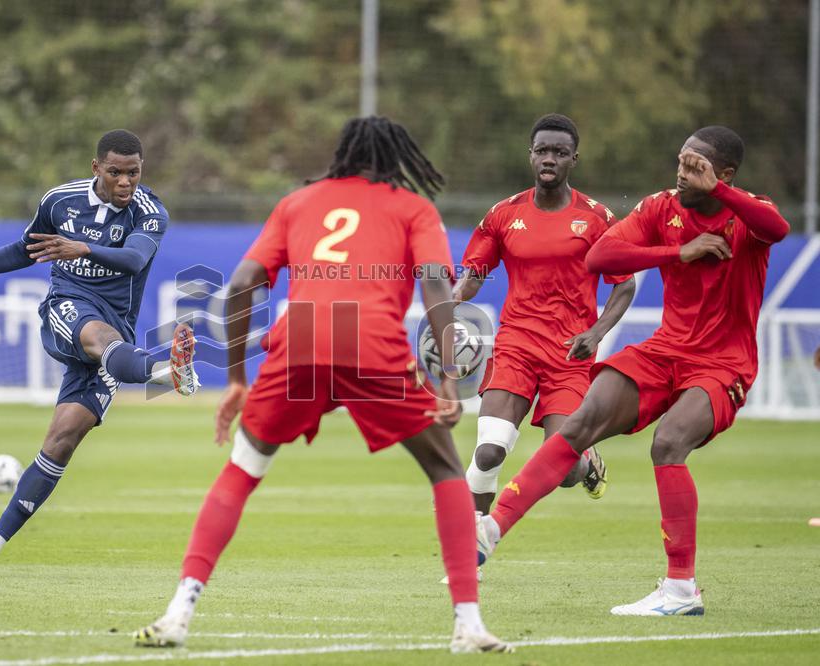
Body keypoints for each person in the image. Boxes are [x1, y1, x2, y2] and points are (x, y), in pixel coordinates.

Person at [133, 116, 511, 653]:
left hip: (304, 334)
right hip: (371, 341)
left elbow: (242, 283)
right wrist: (448, 375)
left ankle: (178, 613)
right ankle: (468, 625)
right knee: (447, 469)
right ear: (396, 158)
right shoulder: (412, 207)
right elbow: (433, 281)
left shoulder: (298, 202)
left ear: (344, 154)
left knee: (244, 467)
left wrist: (238, 379)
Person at [476, 125, 789, 615]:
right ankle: (490, 530)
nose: (682, 174)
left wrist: (720, 192)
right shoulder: (661, 208)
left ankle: (681, 589)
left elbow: (778, 229)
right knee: (581, 424)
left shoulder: (746, 212)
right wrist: (677, 252)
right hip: (665, 350)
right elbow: (601, 255)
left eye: (696, 167)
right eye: (681, 162)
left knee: (669, 442)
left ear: (724, 174)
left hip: (724, 362)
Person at [0, 129, 200, 577]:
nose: (126, 182)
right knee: (102, 343)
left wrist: (83, 247)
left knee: (61, 442)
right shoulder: (61, 202)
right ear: (96, 168)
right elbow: (26, 250)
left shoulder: (150, 211)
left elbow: (135, 260)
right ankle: (164, 370)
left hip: (115, 323)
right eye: (116, 172)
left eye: (134, 173)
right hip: (68, 308)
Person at [454, 114, 635, 533]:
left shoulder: (596, 219)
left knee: (565, 469)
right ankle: (470, 546)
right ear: (530, 156)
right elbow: (473, 274)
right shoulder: (503, 214)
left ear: (574, 159)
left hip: (570, 354)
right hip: (516, 344)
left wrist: (596, 332)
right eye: (542, 151)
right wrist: (453, 301)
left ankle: (587, 463)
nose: (549, 158)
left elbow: (624, 286)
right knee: (489, 451)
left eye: (559, 152)